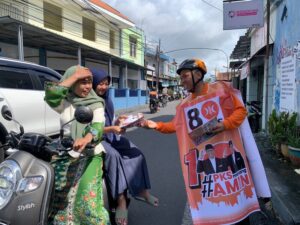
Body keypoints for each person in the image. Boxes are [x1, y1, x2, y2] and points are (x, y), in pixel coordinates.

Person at [141, 58, 252, 225]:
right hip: (204, 164)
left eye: (185, 76)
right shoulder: (184, 104)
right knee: (205, 203)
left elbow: (240, 111)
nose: (182, 81)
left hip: (227, 159)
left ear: (198, 74)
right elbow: (175, 126)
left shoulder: (220, 90)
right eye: (181, 77)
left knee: (235, 199)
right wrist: (155, 124)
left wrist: (224, 125)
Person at [91, 68, 158, 225]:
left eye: (106, 83)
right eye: (100, 84)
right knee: (114, 156)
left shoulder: (107, 99)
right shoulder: (90, 102)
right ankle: (121, 201)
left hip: (110, 135)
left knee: (137, 153)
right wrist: (112, 129)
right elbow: (91, 130)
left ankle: (142, 191)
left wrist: (119, 122)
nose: (103, 87)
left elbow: (110, 121)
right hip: (96, 139)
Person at [44, 66, 110, 225]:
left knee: (86, 200)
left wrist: (87, 138)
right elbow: (51, 95)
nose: (88, 87)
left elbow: (98, 126)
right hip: (65, 153)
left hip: (90, 155)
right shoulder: (65, 102)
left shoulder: (96, 104)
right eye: (82, 82)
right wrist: (74, 77)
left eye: (89, 82)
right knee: (56, 197)